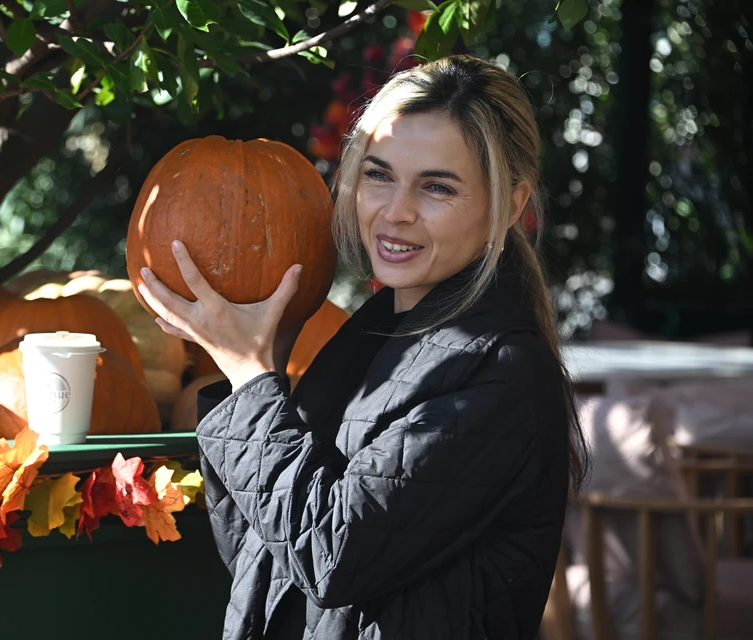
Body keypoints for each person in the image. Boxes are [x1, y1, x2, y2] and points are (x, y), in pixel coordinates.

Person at [137, 54, 588, 640]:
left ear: (509, 205)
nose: (395, 213)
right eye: (378, 175)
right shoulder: (367, 339)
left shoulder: (500, 373)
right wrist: (254, 370)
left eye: (437, 188)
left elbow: (333, 555)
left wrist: (251, 380)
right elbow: (264, 560)